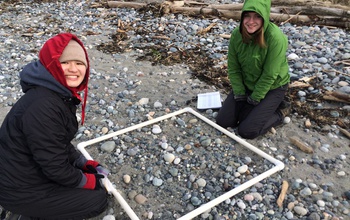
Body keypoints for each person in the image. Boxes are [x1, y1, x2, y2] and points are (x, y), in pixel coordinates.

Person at [0, 33, 109, 219]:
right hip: (19, 189)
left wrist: (81, 162)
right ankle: (20, 213)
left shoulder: (56, 94)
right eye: (65, 62)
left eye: (79, 63)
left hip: (21, 173)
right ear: (51, 65)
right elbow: (54, 167)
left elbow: (56, 142)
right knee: (98, 199)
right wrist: (87, 181)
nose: (73, 69)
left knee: (85, 183)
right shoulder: (44, 106)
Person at [216, 0, 291, 139]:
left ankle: (281, 112)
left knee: (246, 130)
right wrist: (239, 92)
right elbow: (233, 67)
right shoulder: (236, 35)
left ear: (265, 17)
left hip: (273, 86)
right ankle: (258, 108)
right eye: (247, 16)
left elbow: (270, 74)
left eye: (257, 16)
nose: (251, 21)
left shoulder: (275, 38)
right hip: (247, 83)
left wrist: (255, 98)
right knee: (223, 121)